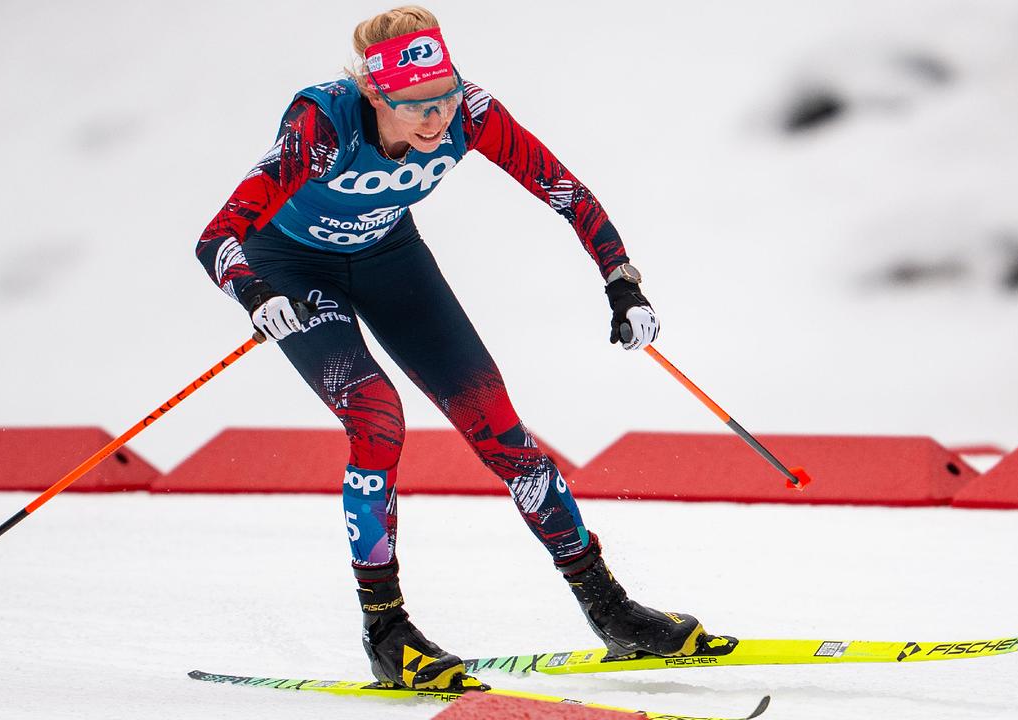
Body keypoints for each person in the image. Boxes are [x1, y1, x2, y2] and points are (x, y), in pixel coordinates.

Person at [195, 5, 714, 691]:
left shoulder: (471, 112)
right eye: (415, 107)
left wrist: (622, 282)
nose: (436, 121)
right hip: (290, 267)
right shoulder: (323, 123)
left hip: (389, 258)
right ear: (376, 94)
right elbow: (217, 236)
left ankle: (608, 607)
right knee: (377, 421)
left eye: (442, 98)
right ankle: (386, 629)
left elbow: (565, 191)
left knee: (499, 427)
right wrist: (255, 293)